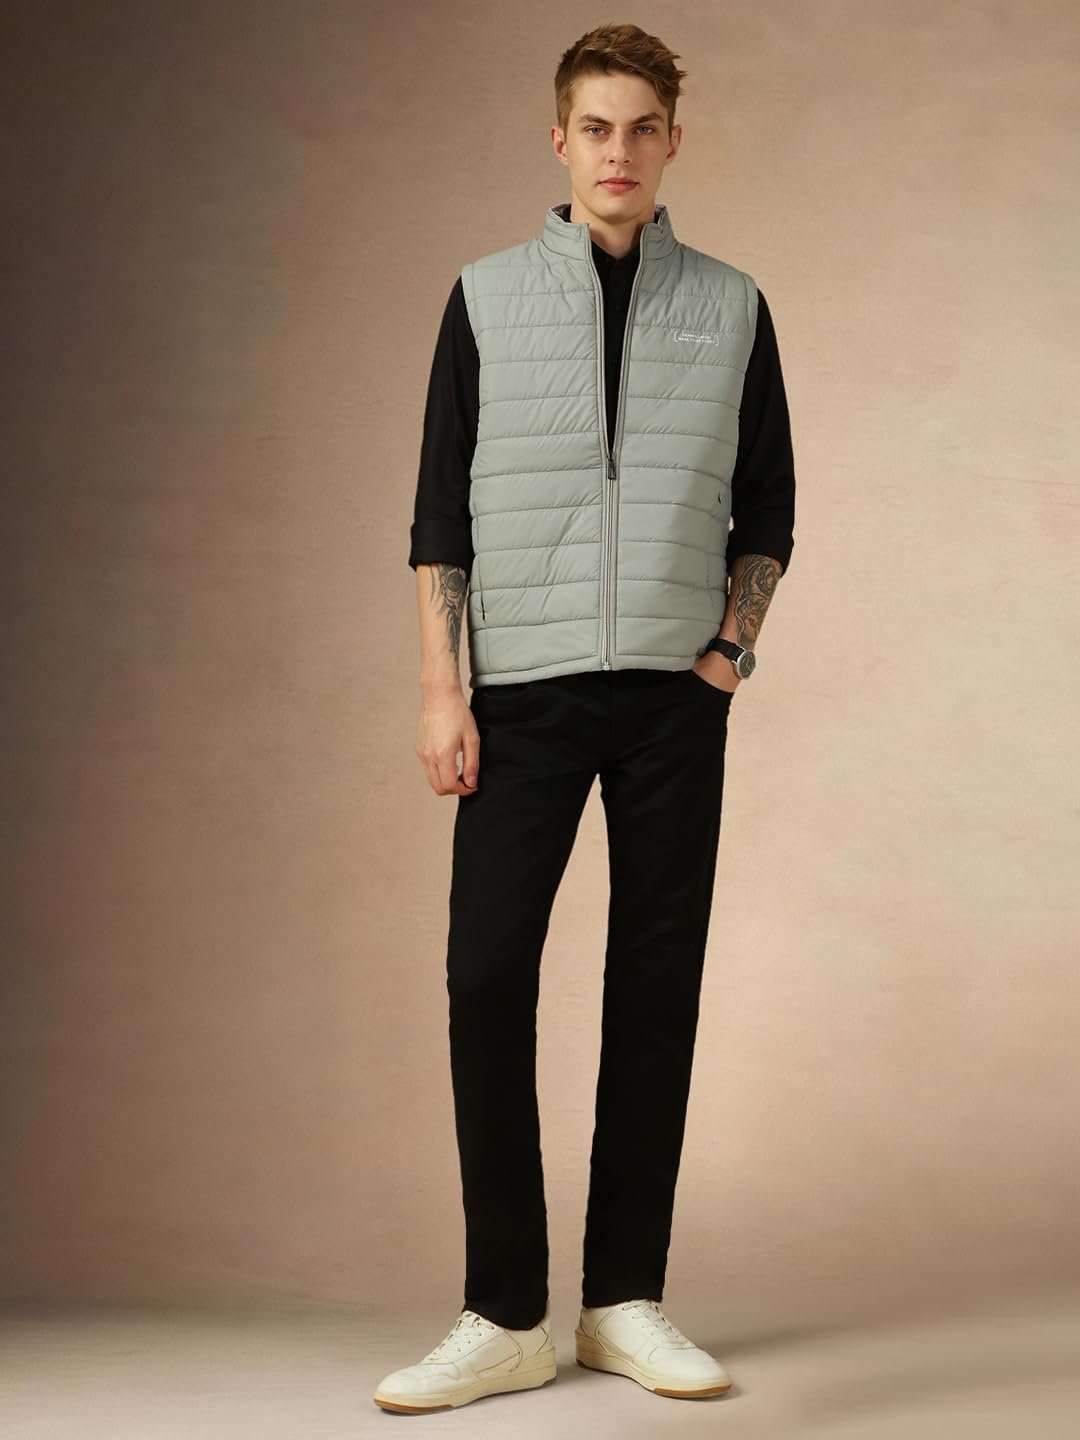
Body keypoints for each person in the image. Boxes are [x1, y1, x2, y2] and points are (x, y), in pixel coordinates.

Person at [375, 22, 796, 1414]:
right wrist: (444, 688)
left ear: (675, 141)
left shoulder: (732, 305)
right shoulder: (484, 298)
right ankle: (505, 1313)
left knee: (656, 987)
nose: (619, 153)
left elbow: (770, 501)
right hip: (525, 696)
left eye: (642, 129)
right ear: (559, 141)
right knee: (487, 974)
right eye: (596, 129)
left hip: (675, 700)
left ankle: (622, 1301)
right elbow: (440, 511)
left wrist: (729, 652)